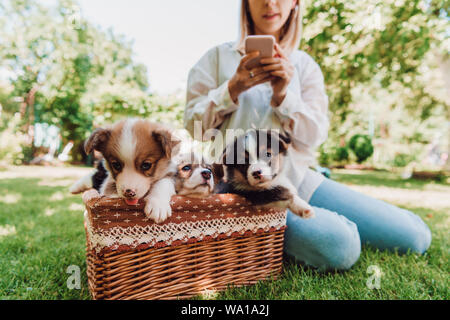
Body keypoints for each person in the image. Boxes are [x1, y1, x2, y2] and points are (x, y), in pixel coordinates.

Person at [184, 0, 431, 270]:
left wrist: (283, 96)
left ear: (295, 3)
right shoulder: (217, 58)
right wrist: (231, 88)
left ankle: (302, 226)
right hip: (243, 190)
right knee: (340, 246)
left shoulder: (304, 65)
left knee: (415, 237)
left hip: (301, 178)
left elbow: (315, 135)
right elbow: (194, 125)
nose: (270, 3)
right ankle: (277, 235)